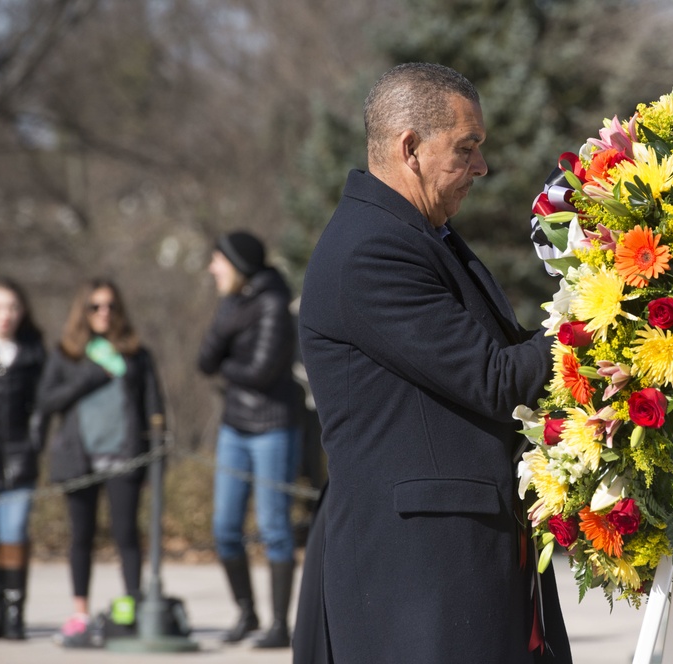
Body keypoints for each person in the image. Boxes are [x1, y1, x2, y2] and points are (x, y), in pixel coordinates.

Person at [294, 62, 572, 664]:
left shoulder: (418, 233)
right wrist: (595, 305)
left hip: (452, 565)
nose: (482, 167)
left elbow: (499, 358)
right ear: (410, 148)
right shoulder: (372, 249)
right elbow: (497, 380)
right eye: (467, 148)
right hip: (418, 576)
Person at [35, 278, 164, 647]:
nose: (103, 312)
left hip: (124, 458)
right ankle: (80, 615)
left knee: (126, 536)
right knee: (81, 537)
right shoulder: (66, 353)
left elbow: (154, 407)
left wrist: (156, 461)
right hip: (79, 461)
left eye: (109, 306)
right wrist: (91, 375)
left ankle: (132, 609)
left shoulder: (136, 354)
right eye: (95, 306)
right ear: (83, 310)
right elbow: (47, 401)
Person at [198, 230, 300, 649]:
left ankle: (278, 624)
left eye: (218, 260)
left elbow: (259, 372)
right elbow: (204, 360)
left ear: (238, 264)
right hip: (234, 426)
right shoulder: (232, 305)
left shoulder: (274, 304)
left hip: (273, 426)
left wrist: (227, 361)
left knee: (274, 526)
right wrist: (227, 338)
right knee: (224, 527)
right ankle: (246, 612)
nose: (211, 268)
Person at [0, 278, 46, 640]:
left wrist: (35, 443)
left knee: (14, 535)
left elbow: (41, 406)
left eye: (13, 307)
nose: (6, 315)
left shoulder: (33, 353)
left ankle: (14, 612)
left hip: (20, 464)